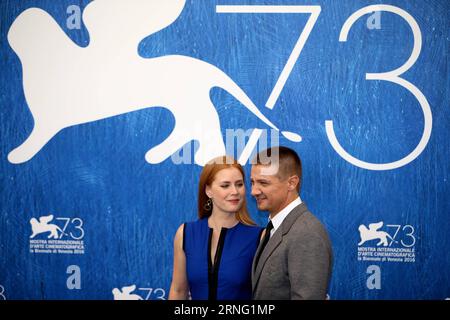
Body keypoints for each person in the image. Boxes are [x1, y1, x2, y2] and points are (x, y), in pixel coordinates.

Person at [169, 156, 263, 300]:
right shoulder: (186, 233)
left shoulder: (259, 237)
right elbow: (178, 291)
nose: (235, 192)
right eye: (225, 185)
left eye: (239, 184)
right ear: (208, 191)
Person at [250, 146, 333, 300]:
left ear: (292, 183)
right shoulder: (275, 227)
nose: (254, 191)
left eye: (263, 183)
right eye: (252, 182)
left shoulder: (307, 234)